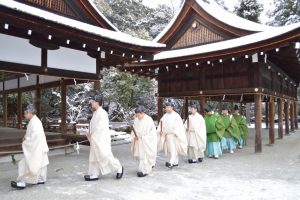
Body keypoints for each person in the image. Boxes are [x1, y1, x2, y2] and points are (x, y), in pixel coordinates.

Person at [84, 94, 124, 181]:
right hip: (96, 138)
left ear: (97, 102)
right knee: (94, 155)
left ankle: (119, 167)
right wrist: (89, 133)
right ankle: (94, 174)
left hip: (101, 139)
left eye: (93, 101)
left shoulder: (103, 113)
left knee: (105, 156)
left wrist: (93, 135)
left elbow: (101, 128)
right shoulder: (95, 113)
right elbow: (93, 125)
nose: (91, 103)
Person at [11, 104, 49, 189]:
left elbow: (35, 136)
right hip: (38, 147)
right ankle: (40, 179)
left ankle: (23, 182)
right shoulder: (35, 121)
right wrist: (26, 138)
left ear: (30, 113)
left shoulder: (35, 122)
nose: (24, 115)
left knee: (28, 163)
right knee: (40, 164)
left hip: (36, 147)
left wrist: (26, 141)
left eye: (25, 113)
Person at [157, 98, 187, 169]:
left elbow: (179, 126)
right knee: (170, 149)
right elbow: (161, 125)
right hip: (167, 135)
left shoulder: (176, 116)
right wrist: (160, 131)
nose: (167, 108)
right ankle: (175, 162)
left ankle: (171, 162)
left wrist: (177, 132)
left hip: (174, 135)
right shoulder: (164, 116)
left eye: (169, 107)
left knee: (173, 149)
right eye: (166, 107)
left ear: (172, 107)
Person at [131, 106, 157, 177]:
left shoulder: (149, 120)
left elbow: (152, 133)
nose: (137, 116)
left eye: (138, 115)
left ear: (142, 113)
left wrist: (144, 138)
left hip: (146, 141)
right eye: (136, 115)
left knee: (146, 155)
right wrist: (134, 135)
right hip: (140, 140)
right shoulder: (136, 119)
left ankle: (145, 171)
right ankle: (142, 169)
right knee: (141, 155)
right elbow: (134, 129)